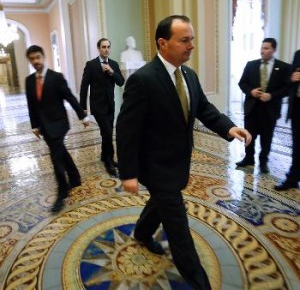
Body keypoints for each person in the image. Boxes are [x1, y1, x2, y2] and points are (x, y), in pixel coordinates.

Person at [116, 15, 252, 290]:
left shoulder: (189, 75)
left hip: (179, 161)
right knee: (178, 227)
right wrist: (128, 173)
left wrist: (229, 128)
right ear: (163, 43)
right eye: (185, 40)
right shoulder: (143, 79)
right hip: (156, 166)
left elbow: (203, 108)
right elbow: (126, 130)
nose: (191, 45)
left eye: (192, 39)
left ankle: (141, 233)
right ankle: (198, 281)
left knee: (159, 204)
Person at [25, 45, 90, 213]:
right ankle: (75, 177)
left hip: (59, 124)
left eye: (38, 57)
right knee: (61, 151)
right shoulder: (29, 81)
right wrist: (35, 125)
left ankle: (62, 192)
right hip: (44, 126)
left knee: (56, 157)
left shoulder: (56, 77)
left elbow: (69, 97)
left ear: (44, 57)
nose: (36, 61)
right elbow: (32, 105)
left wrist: (82, 116)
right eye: (32, 59)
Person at [236, 38, 291, 173]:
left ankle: (263, 162)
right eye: (262, 48)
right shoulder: (251, 65)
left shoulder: (283, 67)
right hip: (252, 109)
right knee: (248, 136)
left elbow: (287, 89)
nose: (262, 51)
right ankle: (249, 158)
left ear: (274, 50)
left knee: (267, 138)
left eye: (266, 48)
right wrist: (251, 91)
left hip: (270, 110)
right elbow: (242, 83)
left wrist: (272, 95)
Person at [80, 38, 124, 176]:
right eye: (103, 47)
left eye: (108, 47)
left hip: (111, 105)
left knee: (108, 132)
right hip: (98, 106)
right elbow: (84, 86)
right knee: (106, 133)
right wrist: (83, 108)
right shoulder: (91, 65)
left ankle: (104, 156)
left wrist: (112, 72)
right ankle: (109, 161)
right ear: (98, 49)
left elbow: (121, 82)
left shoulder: (114, 64)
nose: (106, 49)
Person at [275, 50, 300, 190]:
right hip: (297, 107)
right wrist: (292, 78)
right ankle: (293, 178)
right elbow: (287, 80)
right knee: (297, 146)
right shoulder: (298, 54)